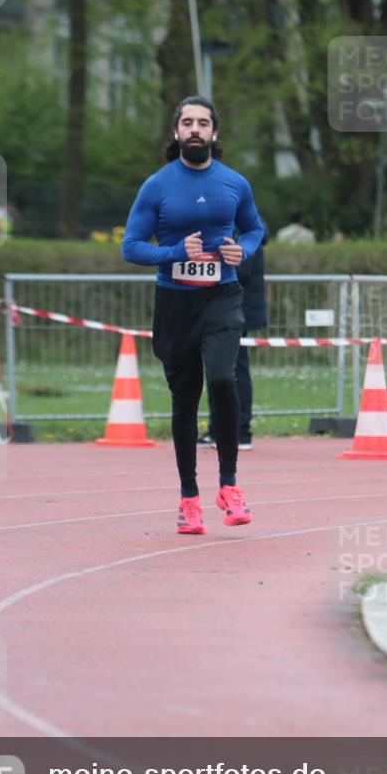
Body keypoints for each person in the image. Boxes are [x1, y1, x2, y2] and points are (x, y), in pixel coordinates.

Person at [121, 95, 265, 534]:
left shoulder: (235, 183)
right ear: (176, 133)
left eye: (203, 122)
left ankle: (229, 484)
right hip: (174, 301)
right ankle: (188, 497)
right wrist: (174, 252)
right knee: (184, 398)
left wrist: (245, 251)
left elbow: (256, 227)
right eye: (188, 122)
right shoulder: (157, 185)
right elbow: (131, 246)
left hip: (221, 295)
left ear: (214, 133)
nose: (196, 129)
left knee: (223, 378)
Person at [198, 227, 268, 450]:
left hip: (237, 312)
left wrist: (210, 259)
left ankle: (241, 430)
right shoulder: (224, 225)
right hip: (220, 311)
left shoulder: (248, 232)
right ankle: (217, 429)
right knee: (217, 371)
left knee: (236, 371)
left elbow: (240, 269)